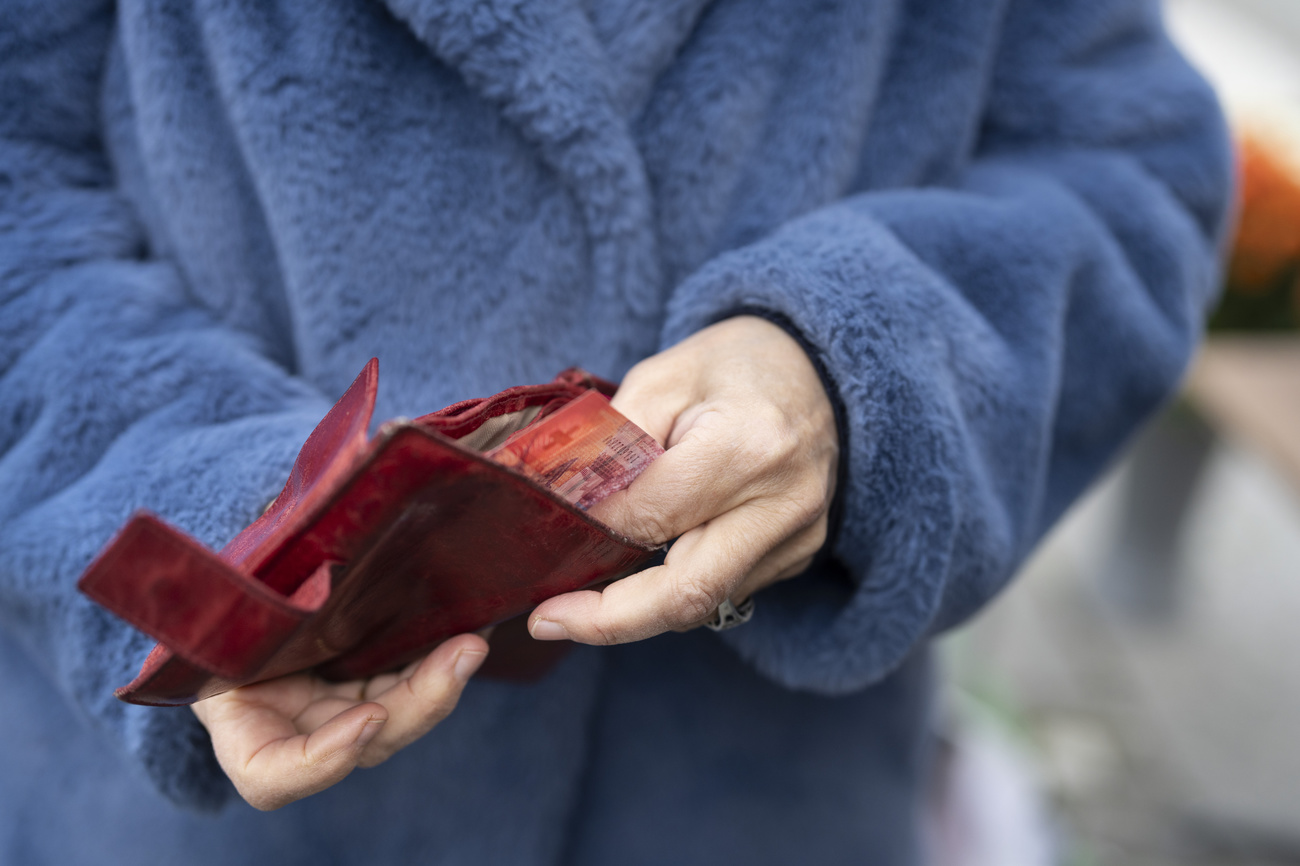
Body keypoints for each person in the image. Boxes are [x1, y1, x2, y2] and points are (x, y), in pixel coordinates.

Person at [0, 0, 1230, 863]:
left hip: (747, 803)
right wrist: (263, 534)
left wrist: (855, 366)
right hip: (175, 823)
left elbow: (1121, 159)